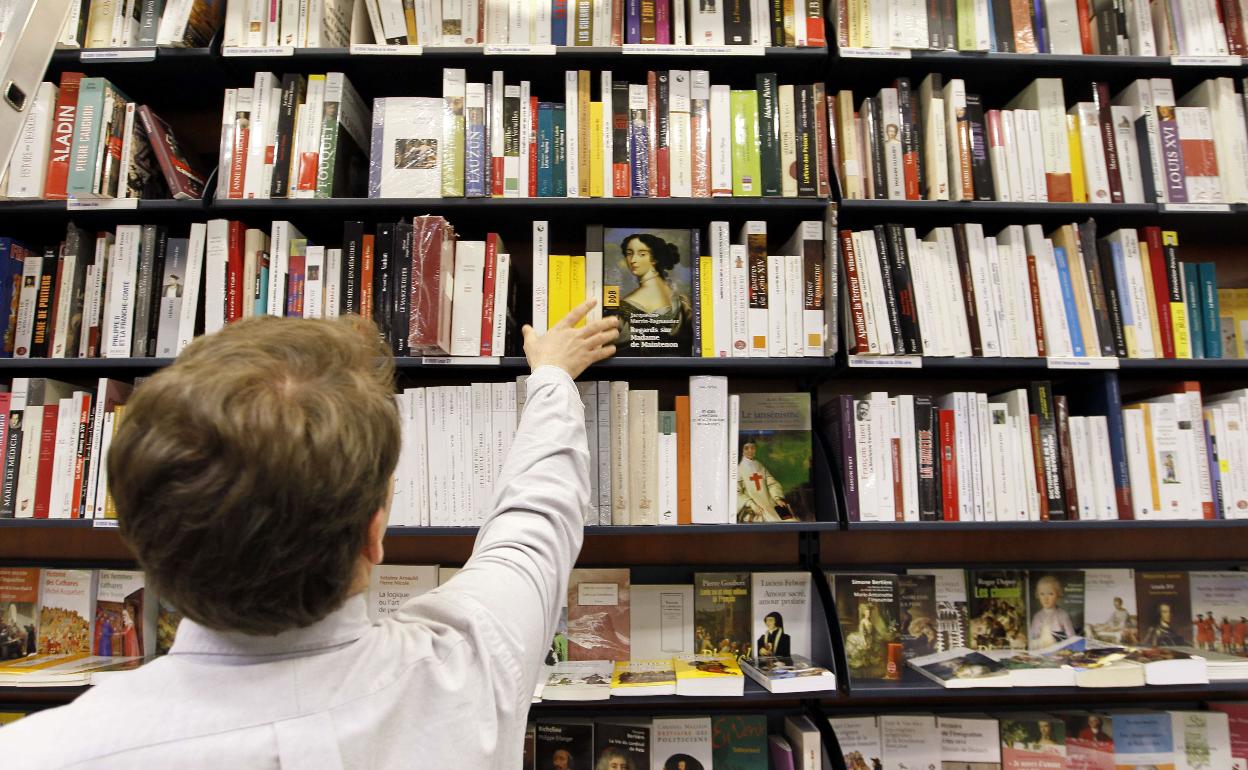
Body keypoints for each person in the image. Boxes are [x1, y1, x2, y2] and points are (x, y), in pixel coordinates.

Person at [0, 302, 619, 767]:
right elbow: (536, 518)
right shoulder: (472, 663)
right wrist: (552, 379)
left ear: (141, 537)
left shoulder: (41, 754)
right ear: (375, 534)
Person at [609, 233, 692, 353]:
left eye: (642, 254)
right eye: (629, 253)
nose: (633, 260)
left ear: (655, 259)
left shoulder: (626, 307)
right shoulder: (679, 297)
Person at [736, 442, 791, 522]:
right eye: (746, 448)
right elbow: (736, 493)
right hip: (755, 509)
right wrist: (752, 505)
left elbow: (772, 484)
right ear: (741, 450)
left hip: (770, 504)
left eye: (753, 448)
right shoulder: (738, 470)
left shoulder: (760, 465)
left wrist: (777, 498)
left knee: (789, 520)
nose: (750, 450)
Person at [1029, 574, 1076, 648]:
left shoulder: (1063, 615)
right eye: (1042, 594)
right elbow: (1033, 637)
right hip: (1042, 649)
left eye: (1050, 594)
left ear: (1058, 595)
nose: (1046, 598)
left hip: (1060, 650)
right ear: (1037, 595)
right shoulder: (1037, 617)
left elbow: (1071, 637)